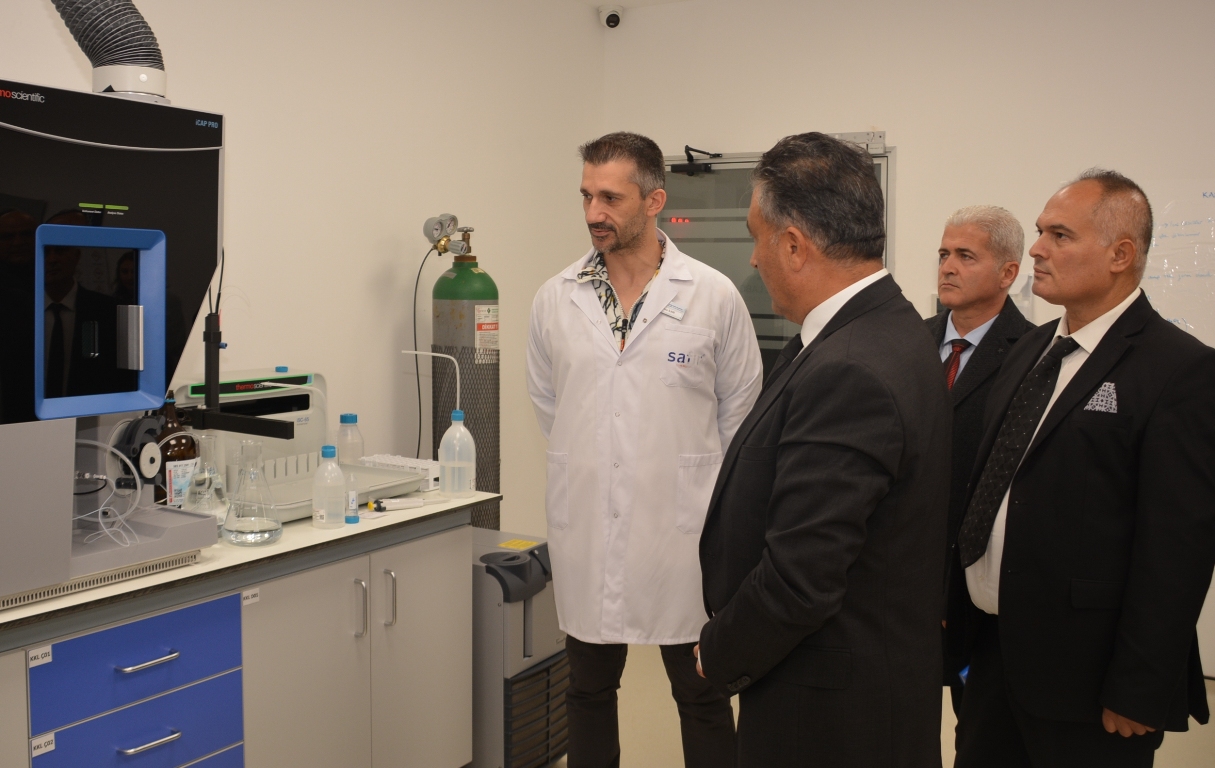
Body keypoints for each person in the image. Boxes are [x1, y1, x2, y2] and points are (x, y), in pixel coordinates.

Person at [696, 132, 952, 767]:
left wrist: (719, 651)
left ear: (793, 245)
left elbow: (801, 577)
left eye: (757, 237)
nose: (753, 258)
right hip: (861, 683)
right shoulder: (884, 329)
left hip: (830, 710)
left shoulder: (851, 367)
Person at [947, 169, 1215, 767]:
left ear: (1120, 255)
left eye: (1060, 235)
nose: (1037, 249)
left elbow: (1177, 550)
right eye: (1041, 231)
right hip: (993, 656)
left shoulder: (1179, 370)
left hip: (1088, 680)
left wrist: (1139, 686)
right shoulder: (1029, 350)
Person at [526, 132, 762, 768]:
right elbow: (552, 406)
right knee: (588, 689)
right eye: (586, 196)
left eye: (610, 197)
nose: (593, 212)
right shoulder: (556, 298)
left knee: (701, 692)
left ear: (654, 200)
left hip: (682, 536)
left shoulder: (713, 295)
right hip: (589, 531)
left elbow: (740, 417)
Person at [928, 205, 1035, 713]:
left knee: (975, 724)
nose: (948, 267)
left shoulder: (1033, 354)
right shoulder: (910, 339)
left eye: (966, 256)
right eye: (944, 254)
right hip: (903, 570)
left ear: (1007, 273)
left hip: (976, 578)